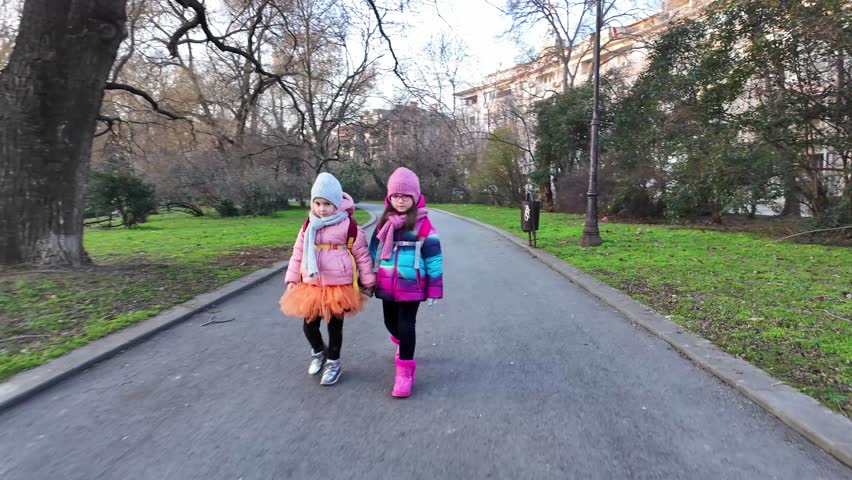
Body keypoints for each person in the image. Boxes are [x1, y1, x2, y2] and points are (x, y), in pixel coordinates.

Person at [280, 172, 376, 386]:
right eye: (318, 203)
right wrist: (292, 277)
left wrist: (368, 280)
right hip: (312, 285)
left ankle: (334, 362)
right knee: (309, 326)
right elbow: (298, 253)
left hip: (338, 287)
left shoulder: (350, 227)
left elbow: (362, 255)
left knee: (334, 328)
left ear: (337, 204)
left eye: (327, 204)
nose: (322, 209)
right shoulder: (308, 225)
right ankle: (318, 352)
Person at [370, 167, 443, 398]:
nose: (400, 201)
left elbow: (433, 258)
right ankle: (401, 342)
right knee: (390, 323)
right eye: (396, 196)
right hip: (386, 283)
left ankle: (404, 373)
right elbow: (374, 251)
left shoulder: (423, 225)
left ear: (415, 197)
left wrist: (434, 289)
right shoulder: (385, 222)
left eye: (405, 196)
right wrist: (368, 277)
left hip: (413, 284)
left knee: (406, 325)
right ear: (389, 197)